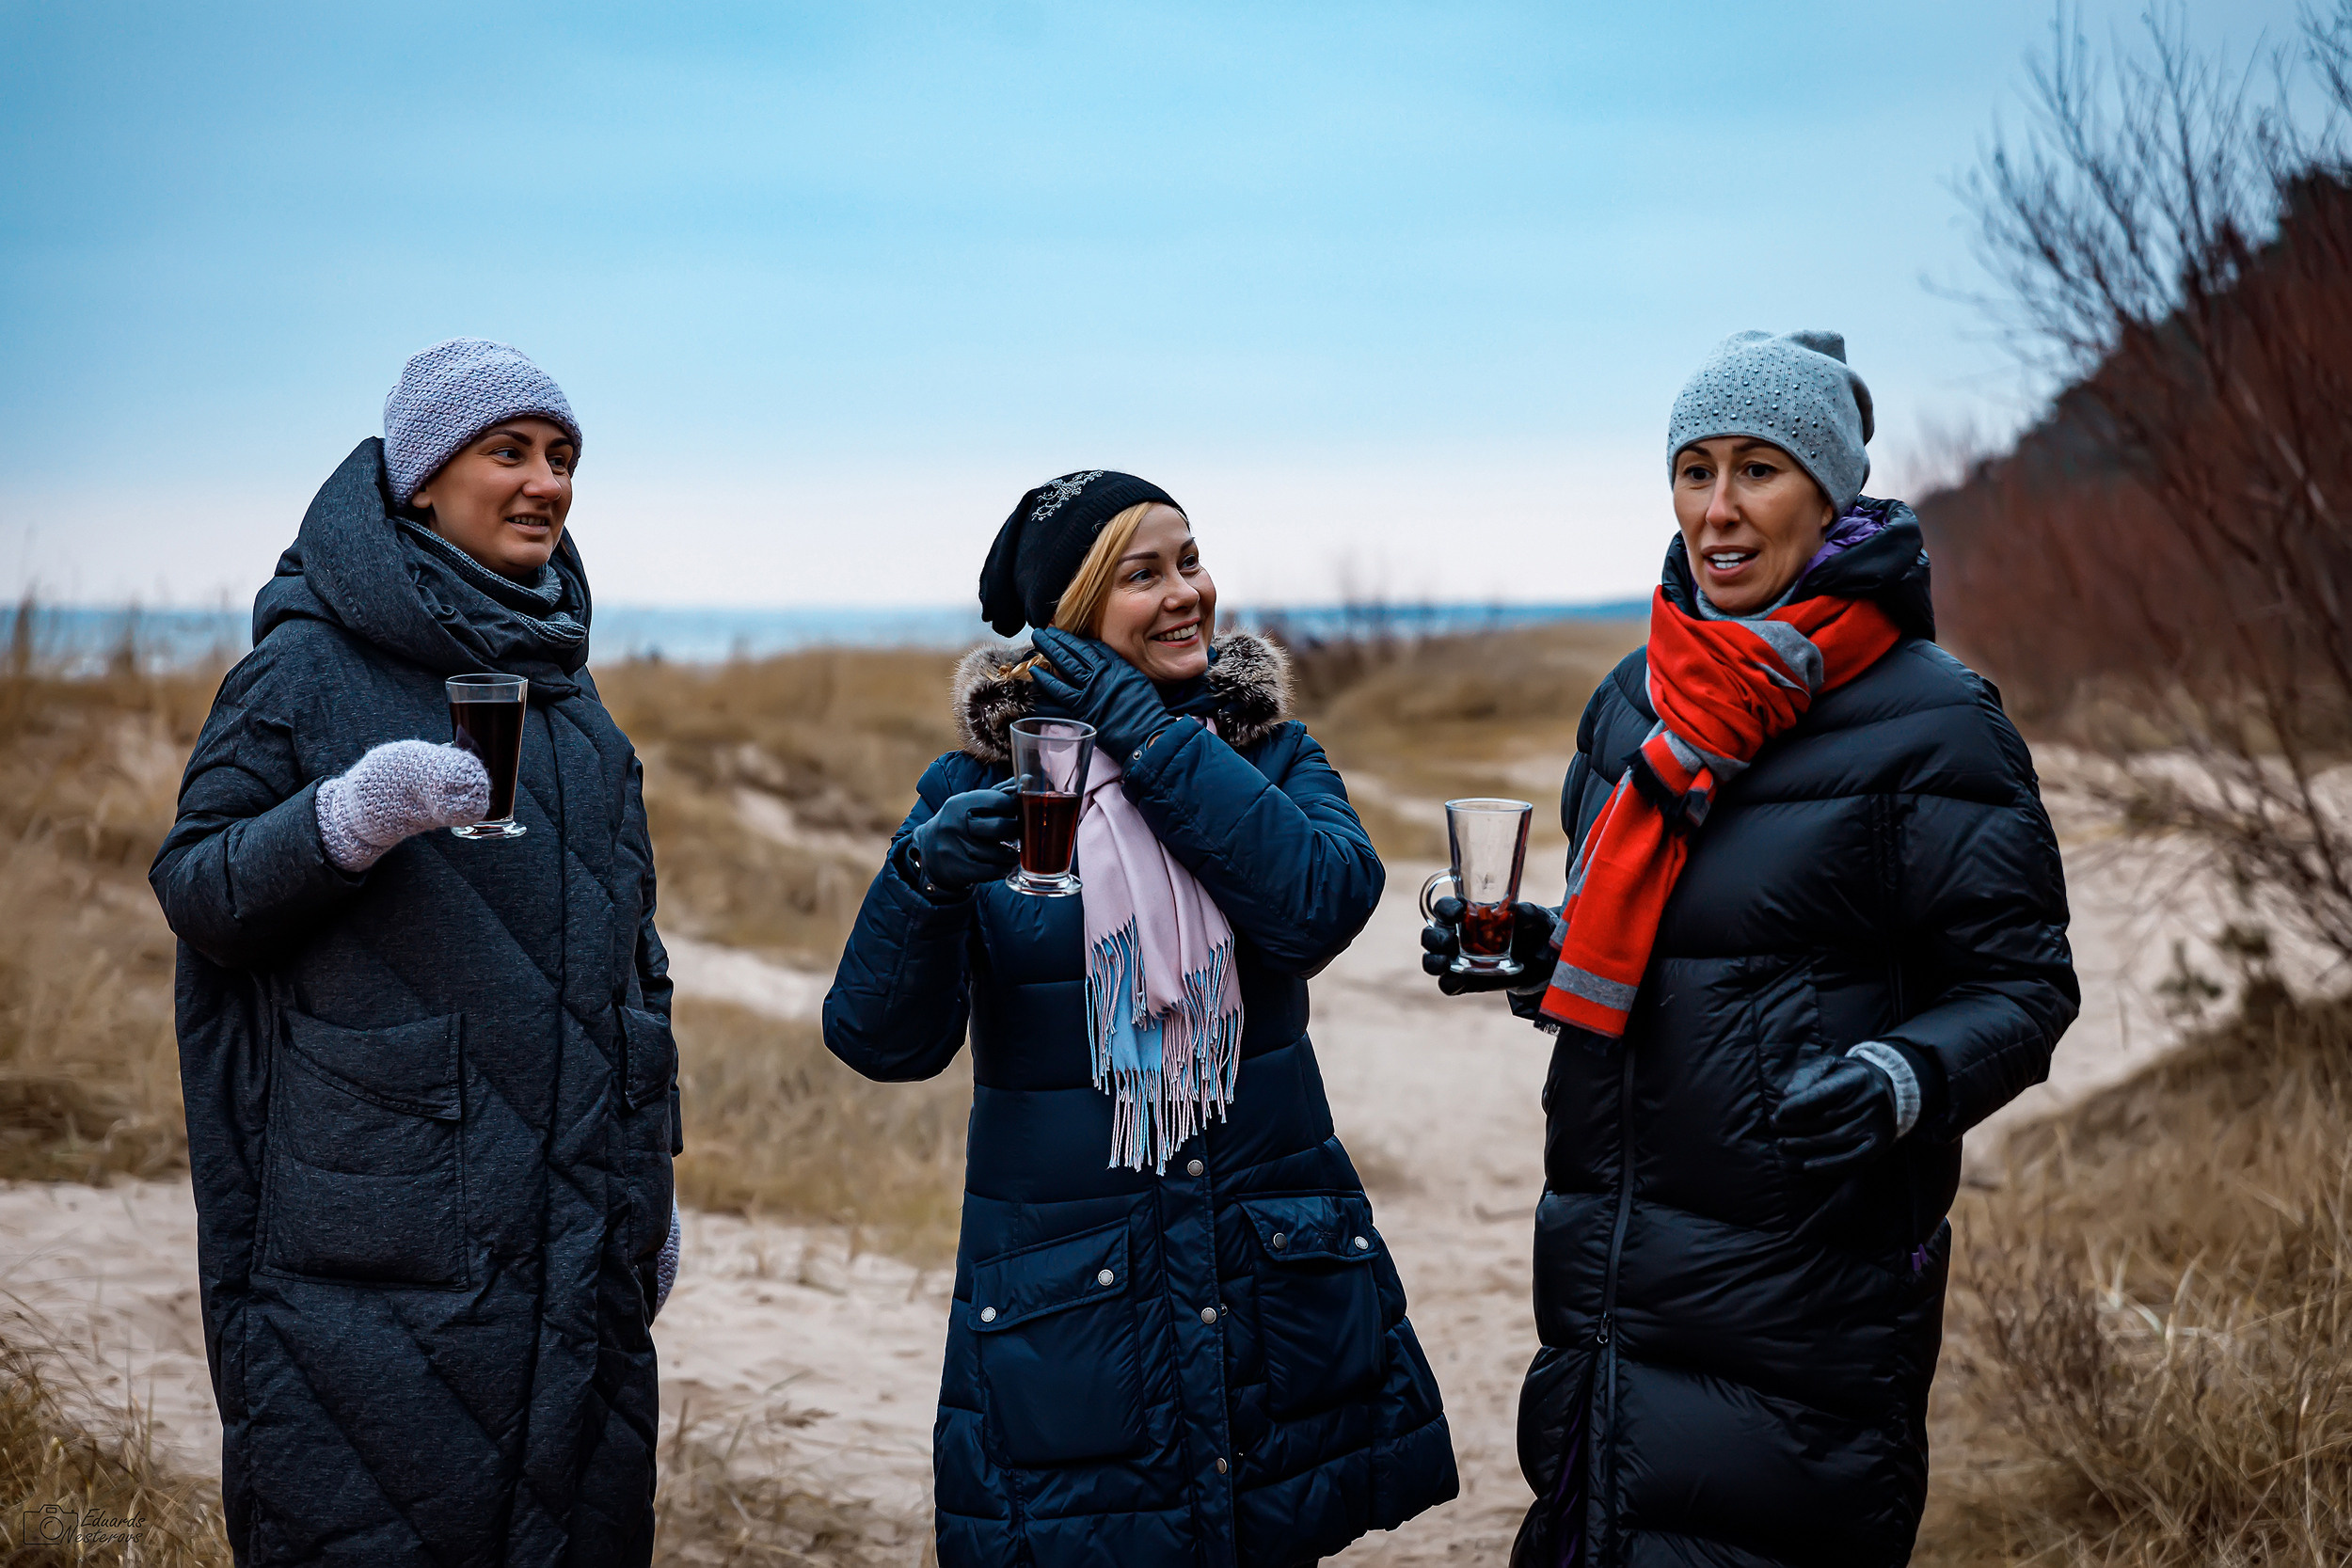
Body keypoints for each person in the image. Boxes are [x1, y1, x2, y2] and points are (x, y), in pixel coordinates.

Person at [1422, 331, 2079, 1567]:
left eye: (1758, 469)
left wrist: (1901, 1076)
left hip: (1802, 1281)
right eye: (1695, 469)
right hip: (1607, 1267)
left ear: (1829, 493)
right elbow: (1649, 943)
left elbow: (2022, 985)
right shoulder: (1632, 700)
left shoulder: (1936, 719)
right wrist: (1536, 953)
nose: (1718, 508)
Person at [824, 471, 1457, 1567]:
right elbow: (883, 1041)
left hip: (1269, 1274)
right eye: (1143, 573)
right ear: (1071, 610)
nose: (1186, 593)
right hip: (1075, 1304)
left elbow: (1317, 904)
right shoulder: (976, 784)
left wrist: (1146, 735)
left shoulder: (1269, 755)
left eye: (1190, 560)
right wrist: (923, 876)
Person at [151, 339, 680, 1566]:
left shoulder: (576, 706)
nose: (547, 482)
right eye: (510, 451)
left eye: (563, 456)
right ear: (422, 478)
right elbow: (198, 888)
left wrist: (648, 1183)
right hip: (374, 1242)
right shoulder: (302, 668)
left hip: (574, 1232)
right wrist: (343, 821)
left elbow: (633, 969)